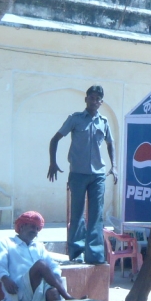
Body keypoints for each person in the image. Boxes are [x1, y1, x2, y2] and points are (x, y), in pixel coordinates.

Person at [48, 85, 116, 264]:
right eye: (91, 98)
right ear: (86, 99)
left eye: (97, 99)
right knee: (77, 215)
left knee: (96, 216)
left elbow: (110, 144)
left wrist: (114, 166)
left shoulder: (104, 121)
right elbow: (55, 139)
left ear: (101, 102)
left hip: (98, 176)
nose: (94, 101)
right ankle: (77, 255)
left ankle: (95, 256)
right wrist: (53, 162)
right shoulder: (75, 119)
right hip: (78, 174)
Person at [0, 211, 75, 301]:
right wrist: (5, 278)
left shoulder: (39, 246)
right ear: (22, 226)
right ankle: (67, 296)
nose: (35, 231)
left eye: (37, 228)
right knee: (41, 265)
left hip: (39, 291)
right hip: (19, 290)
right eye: (32, 227)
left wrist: (55, 277)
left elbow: (53, 266)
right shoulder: (6, 242)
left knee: (53, 292)